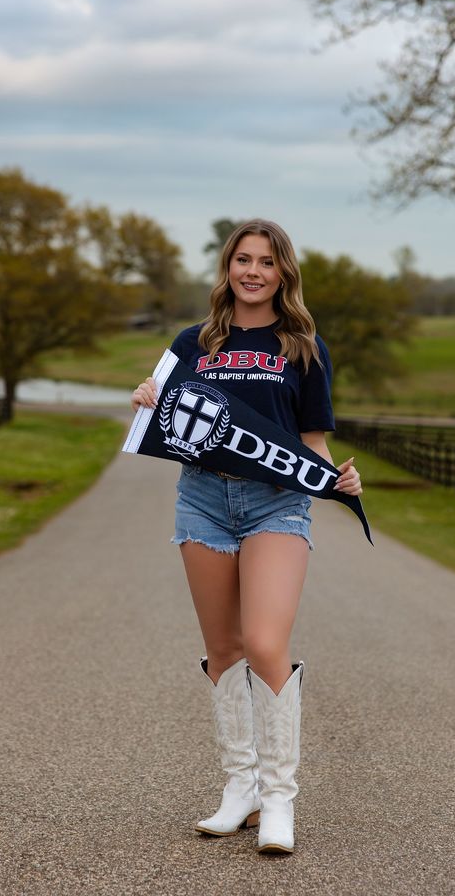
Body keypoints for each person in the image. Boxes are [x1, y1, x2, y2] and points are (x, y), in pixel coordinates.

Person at [131, 219, 362, 855]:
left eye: (265, 261)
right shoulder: (192, 342)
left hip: (276, 505)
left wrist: (336, 479)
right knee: (225, 646)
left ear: (283, 272)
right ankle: (242, 789)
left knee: (264, 641)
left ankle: (280, 796)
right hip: (202, 500)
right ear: (227, 267)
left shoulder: (302, 347)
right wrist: (149, 395)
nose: (252, 271)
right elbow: (168, 414)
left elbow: (312, 442)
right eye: (242, 259)